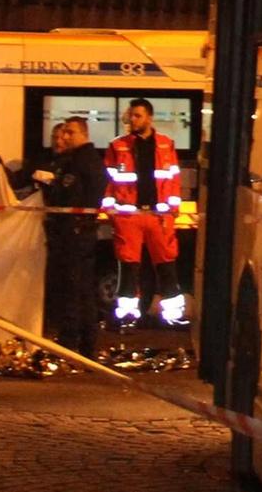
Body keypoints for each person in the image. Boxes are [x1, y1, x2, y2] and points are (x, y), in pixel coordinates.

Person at [23, 117, 109, 359]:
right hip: (70, 232)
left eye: (70, 132)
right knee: (74, 289)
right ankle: (79, 344)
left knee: (75, 290)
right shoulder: (74, 160)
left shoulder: (85, 161)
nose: (65, 137)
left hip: (76, 233)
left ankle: (74, 345)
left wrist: (56, 187)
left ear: (83, 133)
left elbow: (70, 195)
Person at [104, 98, 187, 326]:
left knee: (166, 263)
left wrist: (173, 209)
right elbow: (108, 179)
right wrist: (111, 209)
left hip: (158, 215)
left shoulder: (165, 144)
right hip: (129, 215)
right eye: (131, 115)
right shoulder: (118, 146)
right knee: (129, 266)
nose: (133, 120)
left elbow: (173, 179)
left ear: (149, 117)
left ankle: (173, 312)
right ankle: (128, 313)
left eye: (138, 116)